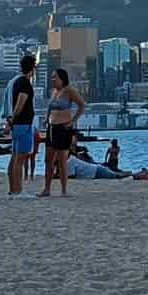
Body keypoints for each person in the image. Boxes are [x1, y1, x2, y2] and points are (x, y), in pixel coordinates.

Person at [39, 67, 86, 197]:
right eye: (52, 77)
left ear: (62, 78)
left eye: (55, 77)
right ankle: (47, 189)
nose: (52, 79)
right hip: (51, 128)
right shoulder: (54, 92)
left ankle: (64, 190)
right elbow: (50, 107)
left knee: (61, 161)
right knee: (48, 160)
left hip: (63, 128)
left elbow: (82, 105)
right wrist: (46, 119)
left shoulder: (69, 91)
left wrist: (73, 120)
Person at [7, 53, 38, 199]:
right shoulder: (25, 83)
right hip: (23, 124)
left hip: (17, 125)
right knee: (20, 159)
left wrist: (11, 121)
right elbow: (21, 102)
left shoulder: (17, 82)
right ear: (33, 68)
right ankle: (18, 191)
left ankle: (13, 190)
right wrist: (13, 119)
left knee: (14, 158)